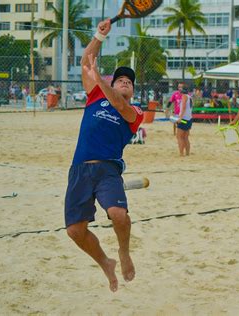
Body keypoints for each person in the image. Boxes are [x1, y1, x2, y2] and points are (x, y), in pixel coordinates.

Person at [64, 19, 144, 292]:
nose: (124, 83)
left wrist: (101, 78)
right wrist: (99, 34)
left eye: (128, 82)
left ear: (132, 90)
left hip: (108, 169)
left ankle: (123, 252)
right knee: (75, 231)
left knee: (118, 215)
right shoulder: (95, 95)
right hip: (79, 170)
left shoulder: (135, 114)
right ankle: (105, 262)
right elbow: (87, 60)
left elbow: (120, 105)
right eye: (120, 79)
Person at [175, 84, 193, 156]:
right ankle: (187, 153)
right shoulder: (190, 97)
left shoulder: (184, 96)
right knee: (186, 137)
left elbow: (184, 107)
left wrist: (180, 118)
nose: (179, 89)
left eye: (180, 88)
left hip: (184, 119)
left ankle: (181, 153)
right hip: (189, 119)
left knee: (179, 137)